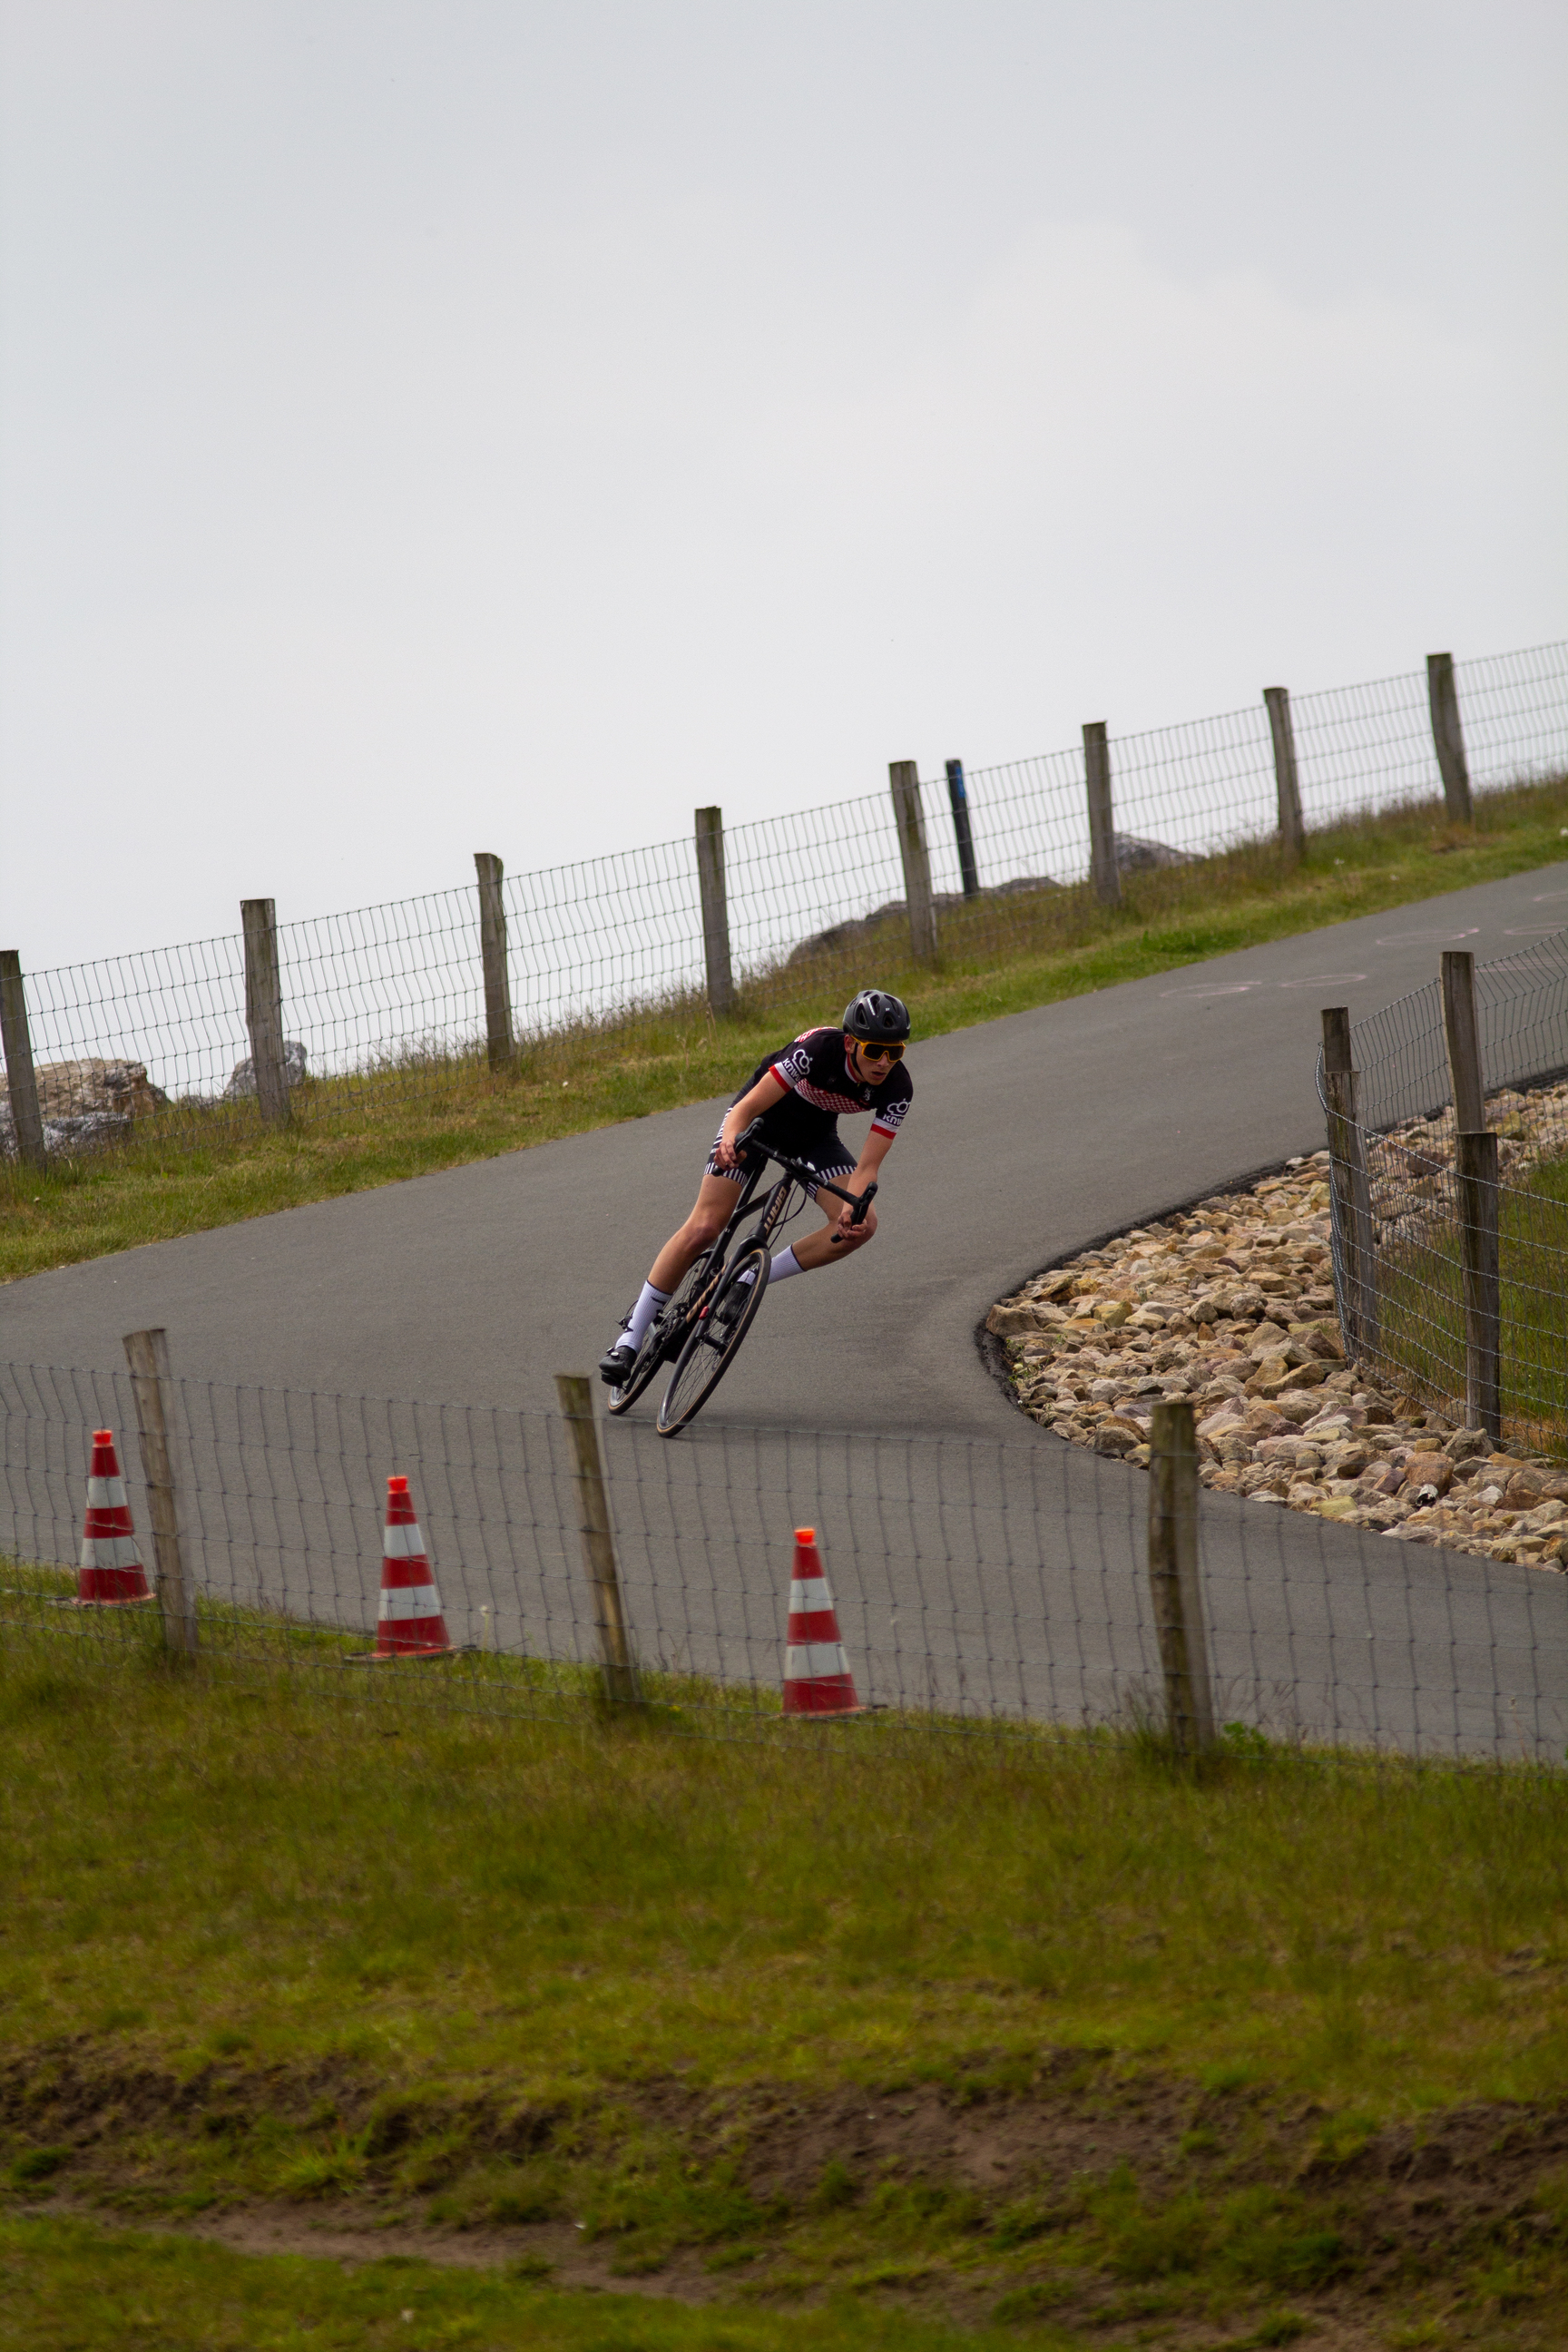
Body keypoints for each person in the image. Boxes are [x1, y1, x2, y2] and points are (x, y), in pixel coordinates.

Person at [599, 988, 913, 1385]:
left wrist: (855, 1205)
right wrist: (730, 1138)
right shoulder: (818, 1049)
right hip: (758, 1119)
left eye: (895, 1052)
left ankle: (747, 1279)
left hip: (813, 1138)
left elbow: (868, 1168)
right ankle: (631, 1335)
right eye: (874, 1051)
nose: (883, 1062)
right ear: (851, 1043)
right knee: (705, 1226)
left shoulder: (898, 1089)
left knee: (861, 1227)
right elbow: (746, 1109)